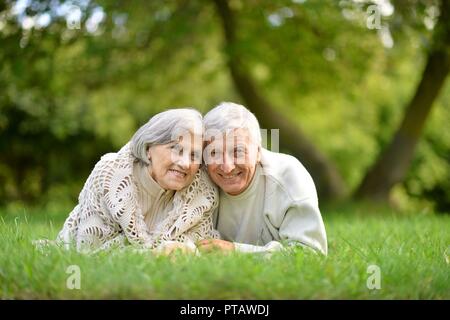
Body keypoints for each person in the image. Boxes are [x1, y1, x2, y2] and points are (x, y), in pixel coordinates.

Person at [56, 108, 219, 253]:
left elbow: (198, 249)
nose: (185, 163)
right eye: (176, 149)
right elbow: (89, 249)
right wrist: (156, 253)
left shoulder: (201, 193)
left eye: (194, 155)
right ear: (149, 149)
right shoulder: (110, 175)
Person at [197, 102, 327, 255]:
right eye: (214, 153)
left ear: (258, 151)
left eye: (238, 152)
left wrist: (234, 251)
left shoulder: (288, 176)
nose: (227, 167)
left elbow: (310, 254)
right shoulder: (199, 180)